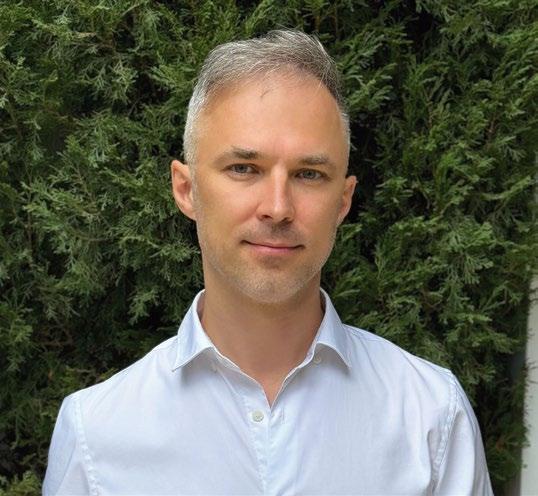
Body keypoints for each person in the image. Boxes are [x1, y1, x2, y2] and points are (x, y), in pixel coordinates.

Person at [43, 30, 493, 495]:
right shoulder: (97, 434)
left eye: (309, 174)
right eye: (244, 169)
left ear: (343, 201)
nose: (278, 208)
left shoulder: (431, 417)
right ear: (186, 189)